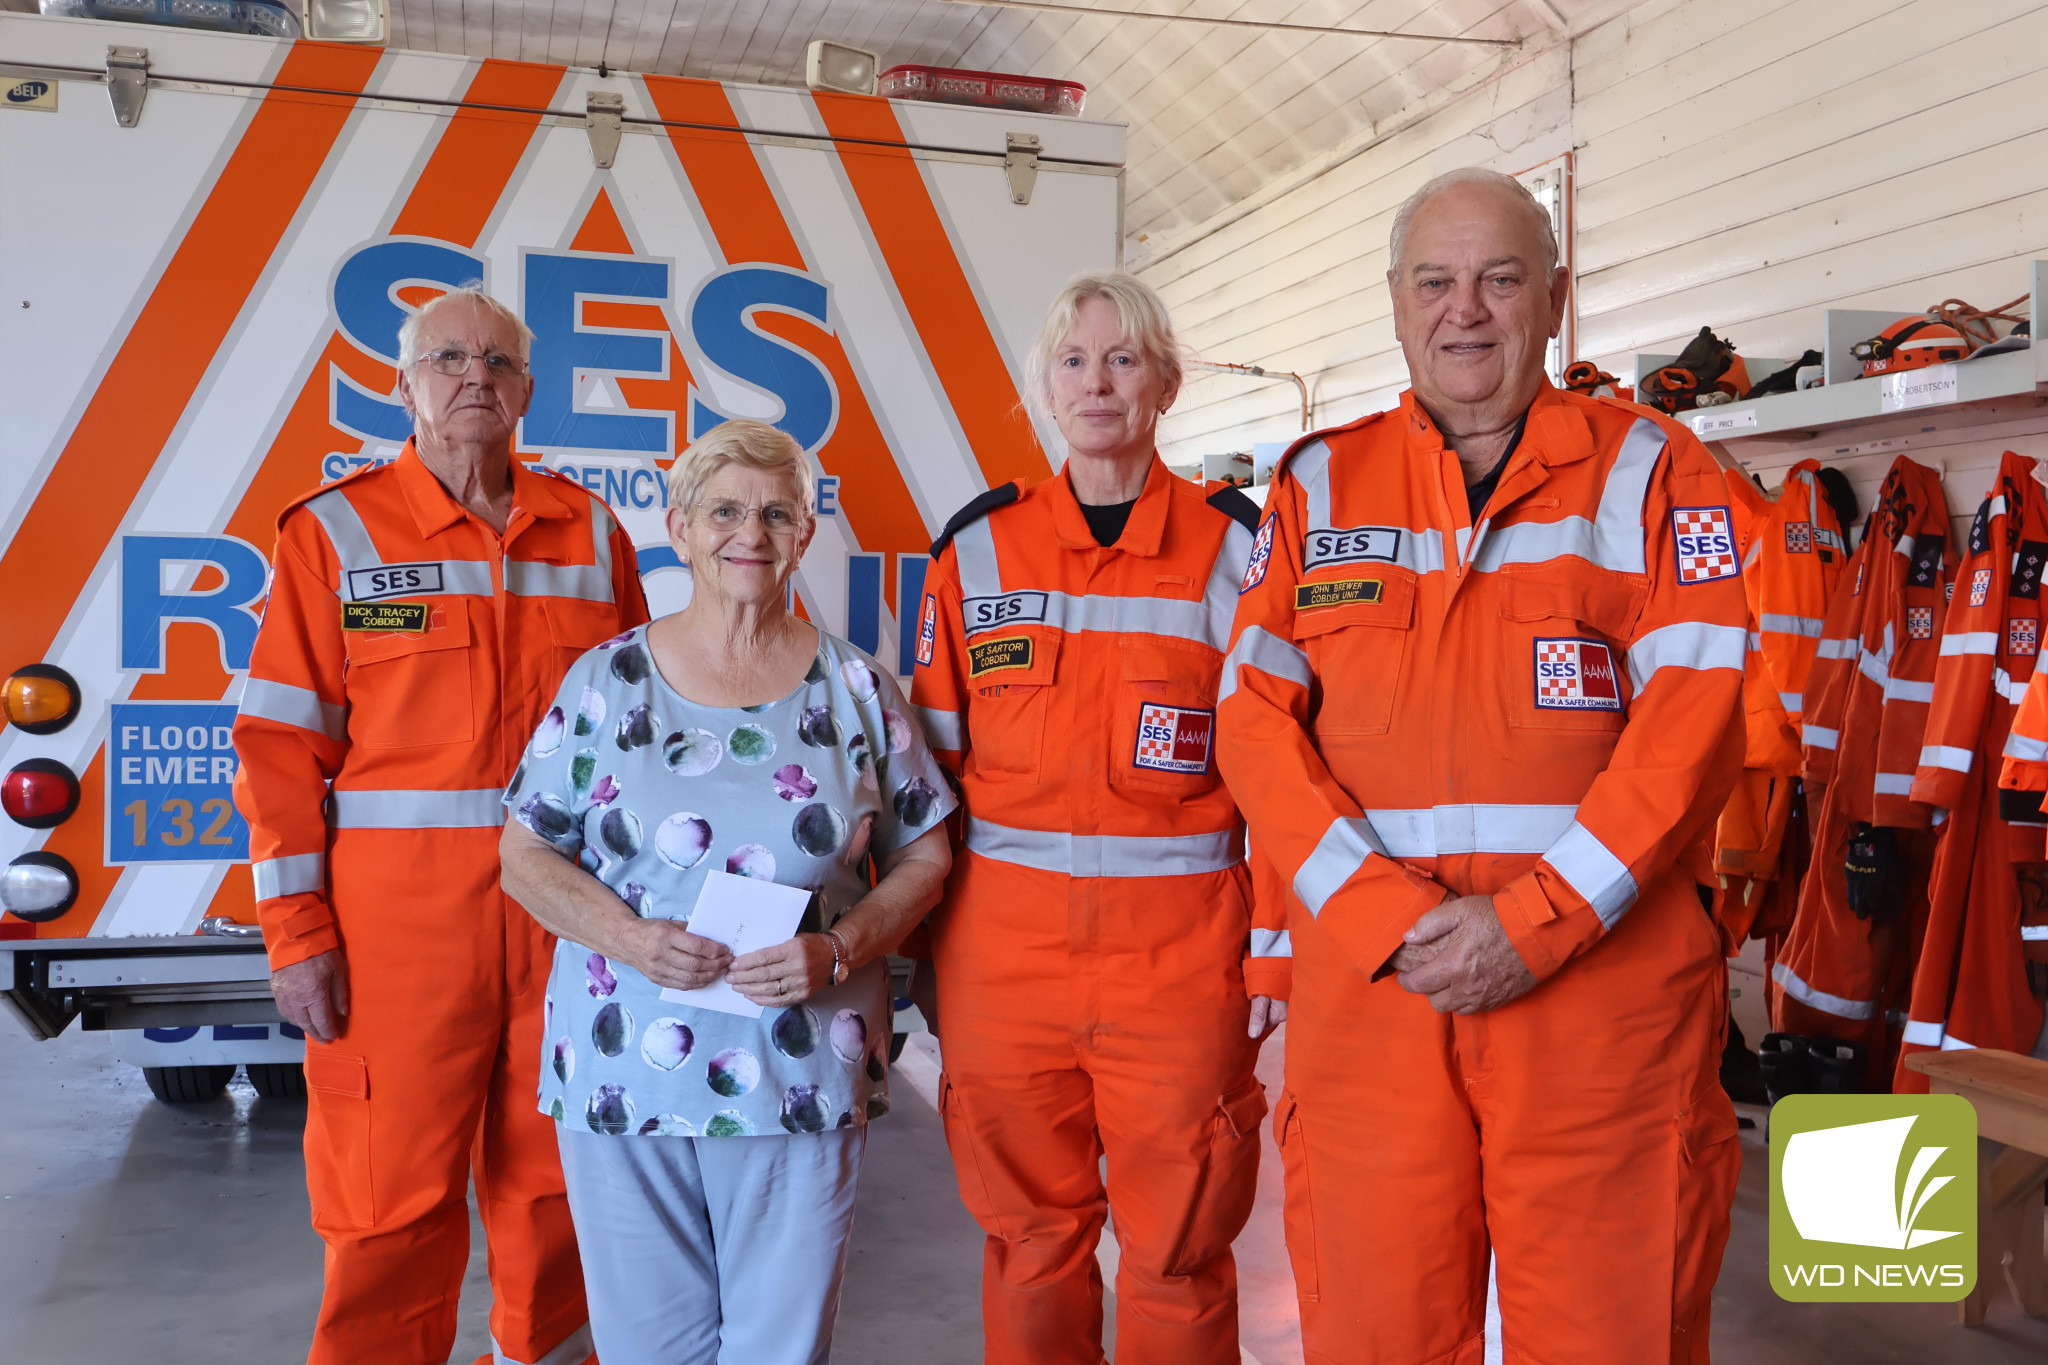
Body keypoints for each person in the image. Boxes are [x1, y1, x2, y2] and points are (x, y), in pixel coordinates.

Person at [1215, 167, 1747, 1364]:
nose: (1465, 310)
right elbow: (1249, 720)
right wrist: (1382, 918)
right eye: (1435, 282)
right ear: (1395, 305)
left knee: (1612, 1335)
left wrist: (1534, 923)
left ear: (1551, 300)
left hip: (1599, 1009)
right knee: (1371, 1331)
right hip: (1375, 1002)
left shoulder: (1657, 473)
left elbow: (1694, 721)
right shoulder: (1313, 483)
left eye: (1499, 280)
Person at [233, 286, 647, 1365]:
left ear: (528, 389)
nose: (475, 378)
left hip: (566, 930)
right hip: (396, 942)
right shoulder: (332, 533)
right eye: (449, 359)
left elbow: (642, 737)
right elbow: (280, 753)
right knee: (386, 1203)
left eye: (499, 363)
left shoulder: (593, 535)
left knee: (559, 1195)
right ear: (403, 384)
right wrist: (298, 936)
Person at [499, 418, 955, 1365]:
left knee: (778, 1350)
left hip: (800, 1071)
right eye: (725, 509)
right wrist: (633, 939)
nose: (751, 530)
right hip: (625, 1069)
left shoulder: (857, 688)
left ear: (805, 534)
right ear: (679, 525)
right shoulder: (607, 681)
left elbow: (927, 855)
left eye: (777, 511)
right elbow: (525, 857)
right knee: (646, 1347)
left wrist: (838, 949)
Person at [911, 271, 1287, 1365]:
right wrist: (922, 958)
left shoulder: (1236, 550)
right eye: (1073, 361)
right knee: (1030, 1241)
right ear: (1044, 387)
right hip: (1000, 966)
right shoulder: (974, 551)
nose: (1097, 383)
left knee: (1176, 1253)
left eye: (1122, 359)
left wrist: (1270, 955)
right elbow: (927, 779)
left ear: (1163, 382)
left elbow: (1278, 775)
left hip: (1180, 968)